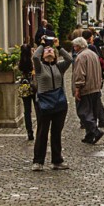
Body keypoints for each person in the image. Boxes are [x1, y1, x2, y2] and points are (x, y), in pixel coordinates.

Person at [31, 38, 72, 169]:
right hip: (43, 103)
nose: (49, 51)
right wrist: (42, 45)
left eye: (51, 50)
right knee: (42, 132)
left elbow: (70, 60)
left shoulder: (59, 67)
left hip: (59, 103)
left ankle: (57, 161)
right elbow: (35, 57)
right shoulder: (40, 67)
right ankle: (38, 161)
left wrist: (59, 47)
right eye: (47, 50)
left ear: (55, 55)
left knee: (56, 132)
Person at [70, 36, 104, 144]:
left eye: (75, 46)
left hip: (86, 88)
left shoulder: (81, 57)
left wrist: (77, 88)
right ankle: (89, 135)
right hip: (95, 87)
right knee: (92, 112)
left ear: (79, 46)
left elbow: (80, 74)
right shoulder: (93, 54)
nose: (74, 48)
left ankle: (95, 131)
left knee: (83, 112)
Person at [84, 28, 104, 128]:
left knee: (92, 98)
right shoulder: (92, 48)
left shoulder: (80, 48)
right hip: (94, 76)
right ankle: (100, 119)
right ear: (90, 38)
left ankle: (98, 118)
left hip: (88, 76)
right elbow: (100, 62)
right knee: (96, 97)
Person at [17, 36, 38, 140]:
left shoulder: (21, 61)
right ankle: (40, 128)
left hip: (24, 86)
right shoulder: (33, 60)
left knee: (27, 111)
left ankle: (29, 131)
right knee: (38, 108)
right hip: (34, 85)